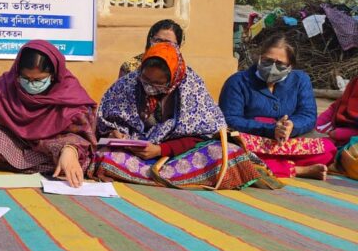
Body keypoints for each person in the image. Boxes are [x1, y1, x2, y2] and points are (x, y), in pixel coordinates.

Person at [94, 42, 270, 189]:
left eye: (158, 83)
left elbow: (204, 134)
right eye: (146, 80)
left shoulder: (192, 88)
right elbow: (107, 122)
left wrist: (161, 149)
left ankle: (147, 175)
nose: (150, 87)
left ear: (174, 78)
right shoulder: (128, 84)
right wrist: (113, 134)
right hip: (134, 153)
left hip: (179, 154)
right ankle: (164, 177)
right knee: (104, 156)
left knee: (229, 154)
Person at [0, 40, 97, 187]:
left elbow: (84, 135)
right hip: (17, 144)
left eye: (38, 80)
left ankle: (7, 164)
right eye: (25, 78)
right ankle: (6, 163)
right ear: (17, 73)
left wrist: (70, 150)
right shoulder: (5, 87)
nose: (31, 84)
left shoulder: (69, 92)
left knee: (77, 162)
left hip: (52, 149)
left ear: (53, 75)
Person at [219, 33, 336, 180]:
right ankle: (297, 169)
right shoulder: (238, 81)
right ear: (260, 57)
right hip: (252, 141)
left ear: (290, 66)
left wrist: (291, 126)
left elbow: (308, 115)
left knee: (329, 150)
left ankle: (273, 166)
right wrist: (270, 129)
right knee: (229, 154)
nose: (272, 68)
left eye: (280, 64)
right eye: (267, 61)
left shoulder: (300, 80)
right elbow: (230, 118)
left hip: (286, 141)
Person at [119, 19, 183, 78]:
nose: (162, 45)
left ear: (178, 46)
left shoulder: (182, 72)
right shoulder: (129, 68)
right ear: (150, 40)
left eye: (168, 43)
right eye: (158, 40)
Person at [316, 77, 358, 147]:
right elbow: (336, 107)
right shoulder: (355, 82)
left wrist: (340, 133)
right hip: (337, 127)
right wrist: (316, 124)